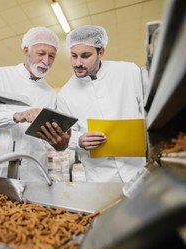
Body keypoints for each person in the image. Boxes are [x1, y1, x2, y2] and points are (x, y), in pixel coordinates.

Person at [0, 27, 69, 182]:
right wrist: (18, 116)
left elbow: (47, 140)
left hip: (32, 171)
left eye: (52, 56)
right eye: (41, 54)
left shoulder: (50, 94)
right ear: (26, 50)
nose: (46, 61)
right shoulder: (0, 75)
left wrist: (60, 143)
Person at [56, 25, 146, 183]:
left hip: (137, 169)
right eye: (74, 56)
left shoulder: (128, 72)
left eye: (85, 56)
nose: (78, 63)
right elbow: (64, 135)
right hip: (101, 177)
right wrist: (79, 140)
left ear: (101, 52)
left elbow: (149, 109)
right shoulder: (65, 94)